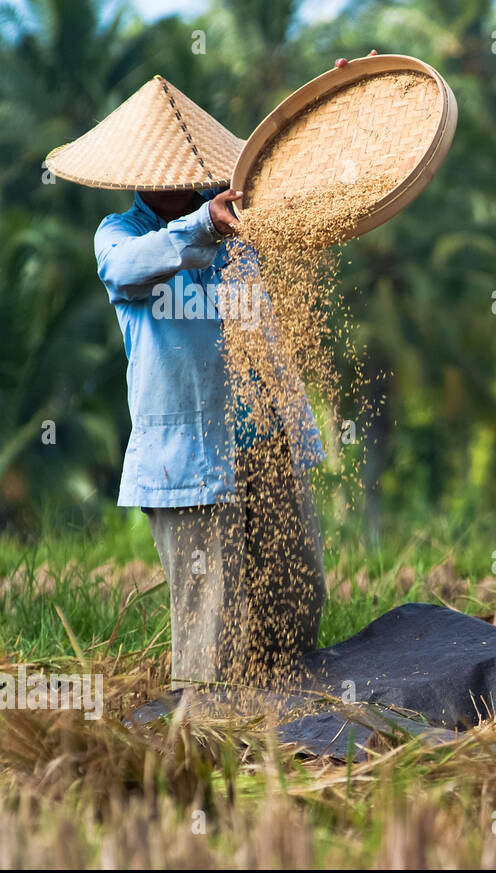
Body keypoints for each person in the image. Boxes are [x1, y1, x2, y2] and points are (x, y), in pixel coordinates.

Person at [45, 75, 327, 691]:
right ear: (138, 177)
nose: (178, 184)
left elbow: (317, 197)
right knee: (212, 622)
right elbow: (129, 270)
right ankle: (206, 741)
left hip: (266, 443)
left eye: (187, 174)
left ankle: (290, 736)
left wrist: (332, 114)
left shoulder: (246, 222)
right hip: (188, 462)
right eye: (162, 175)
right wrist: (202, 226)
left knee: (296, 597)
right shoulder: (121, 237)